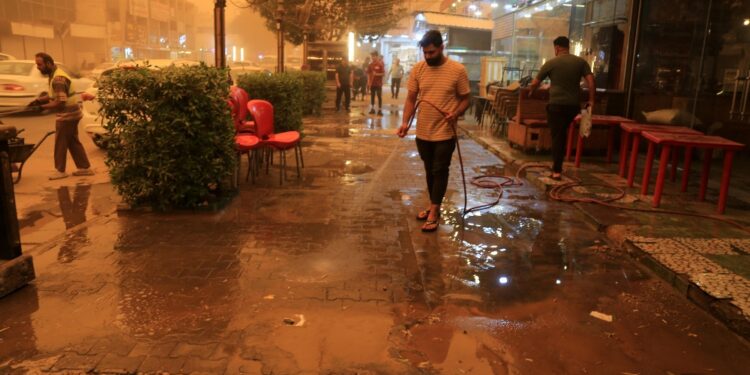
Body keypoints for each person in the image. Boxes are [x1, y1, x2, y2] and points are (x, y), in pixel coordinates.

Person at [396, 30, 470, 232]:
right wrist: (405, 122)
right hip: (423, 132)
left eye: (431, 52)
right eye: (425, 53)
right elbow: (411, 98)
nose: (427, 56)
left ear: (441, 48)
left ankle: (435, 210)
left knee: (440, 169)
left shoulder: (457, 70)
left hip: (445, 132)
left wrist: (456, 113)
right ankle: (432, 205)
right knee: (429, 169)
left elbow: (466, 99)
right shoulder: (418, 69)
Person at [528, 36, 595, 180]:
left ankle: (556, 171)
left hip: (556, 106)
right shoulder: (580, 62)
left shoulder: (551, 63)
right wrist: (591, 100)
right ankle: (564, 162)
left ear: (557, 48)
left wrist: (531, 91)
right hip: (573, 108)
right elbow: (590, 80)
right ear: (568, 47)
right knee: (563, 135)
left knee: (558, 137)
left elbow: (534, 83)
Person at [33, 52, 94, 180]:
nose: (37, 67)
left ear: (48, 63)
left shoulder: (58, 79)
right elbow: (54, 95)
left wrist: (41, 107)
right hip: (73, 113)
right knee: (72, 141)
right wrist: (39, 100)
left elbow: (60, 101)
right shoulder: (54, 74)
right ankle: (84, 168)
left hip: (67, 115)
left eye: (39, 64)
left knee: (60, 142)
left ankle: (60, 171)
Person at [366, 51, 385, 116]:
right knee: (372, 96)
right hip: (372, 84)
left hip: (378, 84)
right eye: (372, 56)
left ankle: (379, 110)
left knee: (379, 96)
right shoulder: (370, 65)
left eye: (374, 56)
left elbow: (383, 73)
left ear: (377, 56)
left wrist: (377, 74)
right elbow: (368, 73)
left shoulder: (380, 64)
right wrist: (368, 81)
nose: (372, 57)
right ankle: (372, 109)